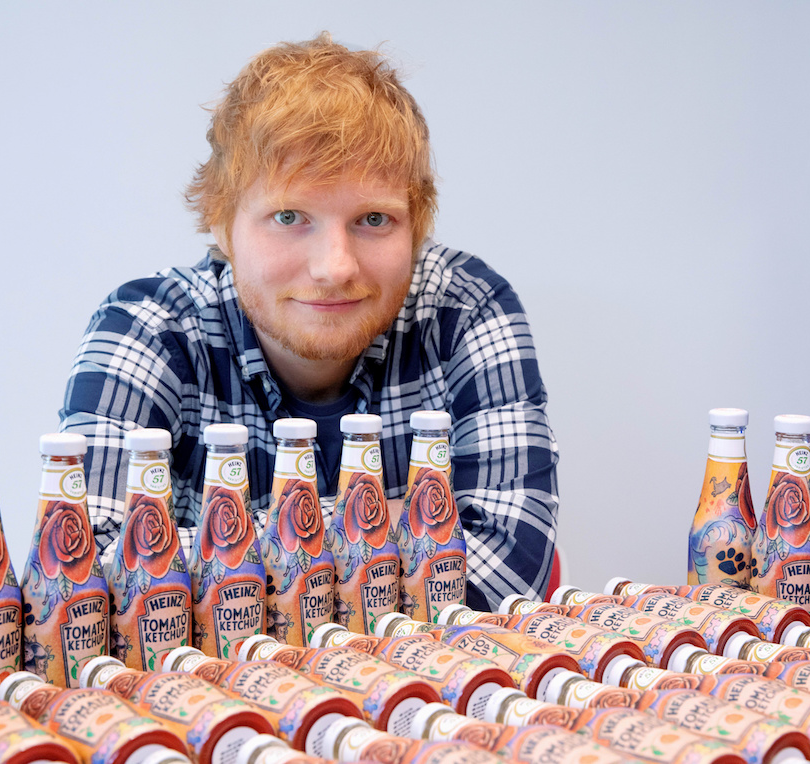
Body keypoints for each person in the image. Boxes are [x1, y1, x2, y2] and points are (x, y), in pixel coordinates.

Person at [60, 32, 559, 610]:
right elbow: (90, 583)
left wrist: (217, 556)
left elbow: (512, 562)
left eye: (374, 218)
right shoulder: (146, 328)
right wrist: (395, 524)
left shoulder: (467, 306)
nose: (335, 268)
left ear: (416, 228)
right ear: (222, 224)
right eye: (289, 216)